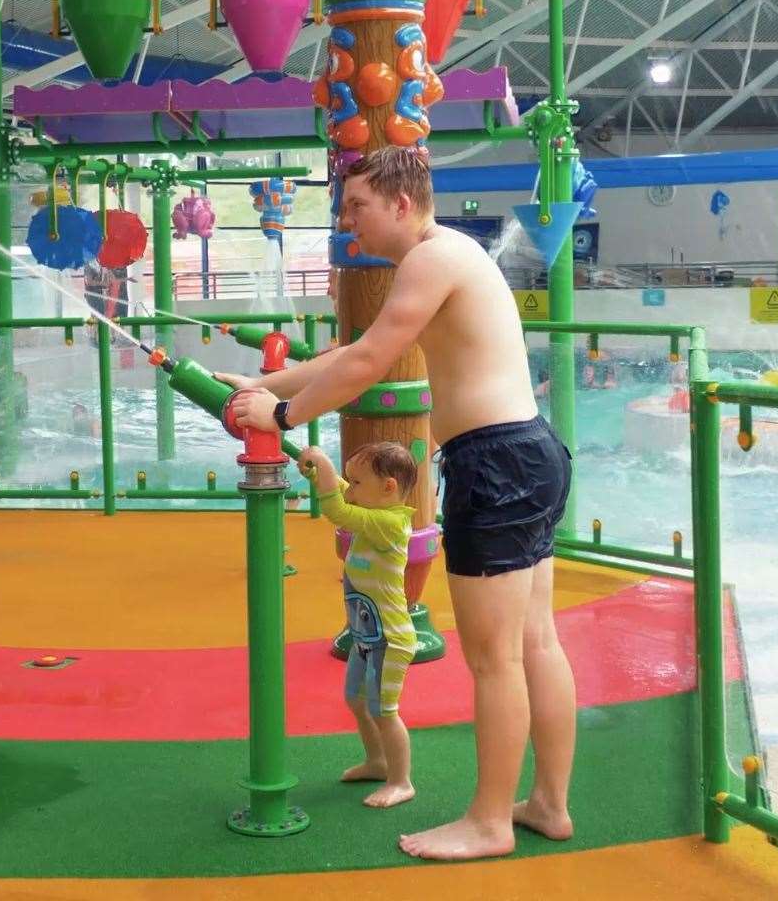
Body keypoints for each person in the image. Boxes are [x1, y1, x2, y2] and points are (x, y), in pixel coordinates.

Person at [215, 146, 575, 862]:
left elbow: (366, 362)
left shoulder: (429, 259)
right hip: (529, 452)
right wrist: (275, 385)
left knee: (496, 658)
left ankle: (488, 822)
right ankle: (546, 806)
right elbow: (352, 353)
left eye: (357, 207)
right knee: (535, 641)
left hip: (495, 463)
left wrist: (279, 423)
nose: (346, 224)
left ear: (401, 203)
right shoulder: (450, 255)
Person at [300, 441, 418, 809]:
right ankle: (377, 761)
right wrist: (322, 474)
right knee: (355, 699)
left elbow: (336, 509)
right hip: (366, 636)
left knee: (385, 710)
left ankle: (401, 781)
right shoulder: (373, 510)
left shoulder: (390, 523)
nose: (350, 489)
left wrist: (324, 469)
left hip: (391, 639)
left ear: (389, 488)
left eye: (357, 483)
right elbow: (341, 495)